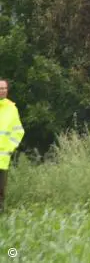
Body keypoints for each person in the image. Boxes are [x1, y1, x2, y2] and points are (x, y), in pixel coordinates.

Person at [0, 78, 24, 213]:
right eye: (0, 88)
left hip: (2, 159)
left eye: (4, 88)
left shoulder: (11, 109)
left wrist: (9, 148)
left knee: (1, 191)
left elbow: (18, 131)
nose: (2, 91)